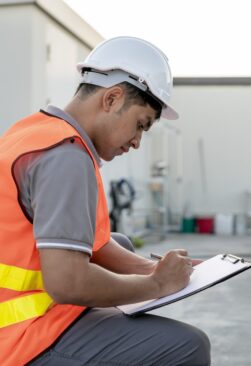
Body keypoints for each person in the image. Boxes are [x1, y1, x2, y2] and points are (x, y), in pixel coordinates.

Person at [0, 36, 211, 366]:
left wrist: (156, 269)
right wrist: (155, 284)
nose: (138, 142)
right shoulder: (65, 157)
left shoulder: (35, 132)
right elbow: (68, 283)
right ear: (112, 99)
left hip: (18, 319)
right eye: (140, 125)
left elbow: (96, 245)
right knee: (189, 346)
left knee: (121, 243)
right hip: (19, 339)